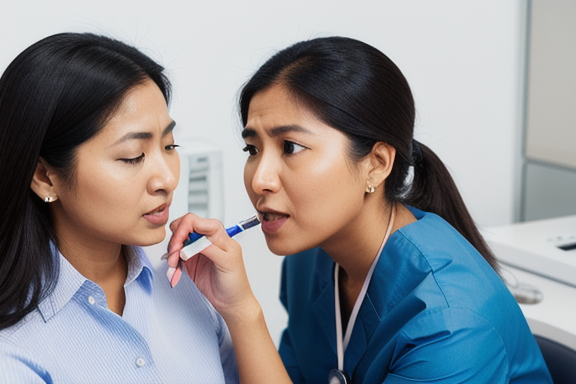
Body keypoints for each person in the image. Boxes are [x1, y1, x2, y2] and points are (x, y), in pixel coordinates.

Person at [166, 36, 552, 383]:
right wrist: (240, 310)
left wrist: (245, 313)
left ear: (377, 163)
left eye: (291, 147)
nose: (259, 179)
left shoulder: (452, 325)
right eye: (253, 150)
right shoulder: (308, 264)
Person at [0, 33, 238, 383]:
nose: (167, 179)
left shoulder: (189, 281)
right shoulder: (13, 348)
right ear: (45, 177)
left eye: (170, 147)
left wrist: (242, 311)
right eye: (133, 156)